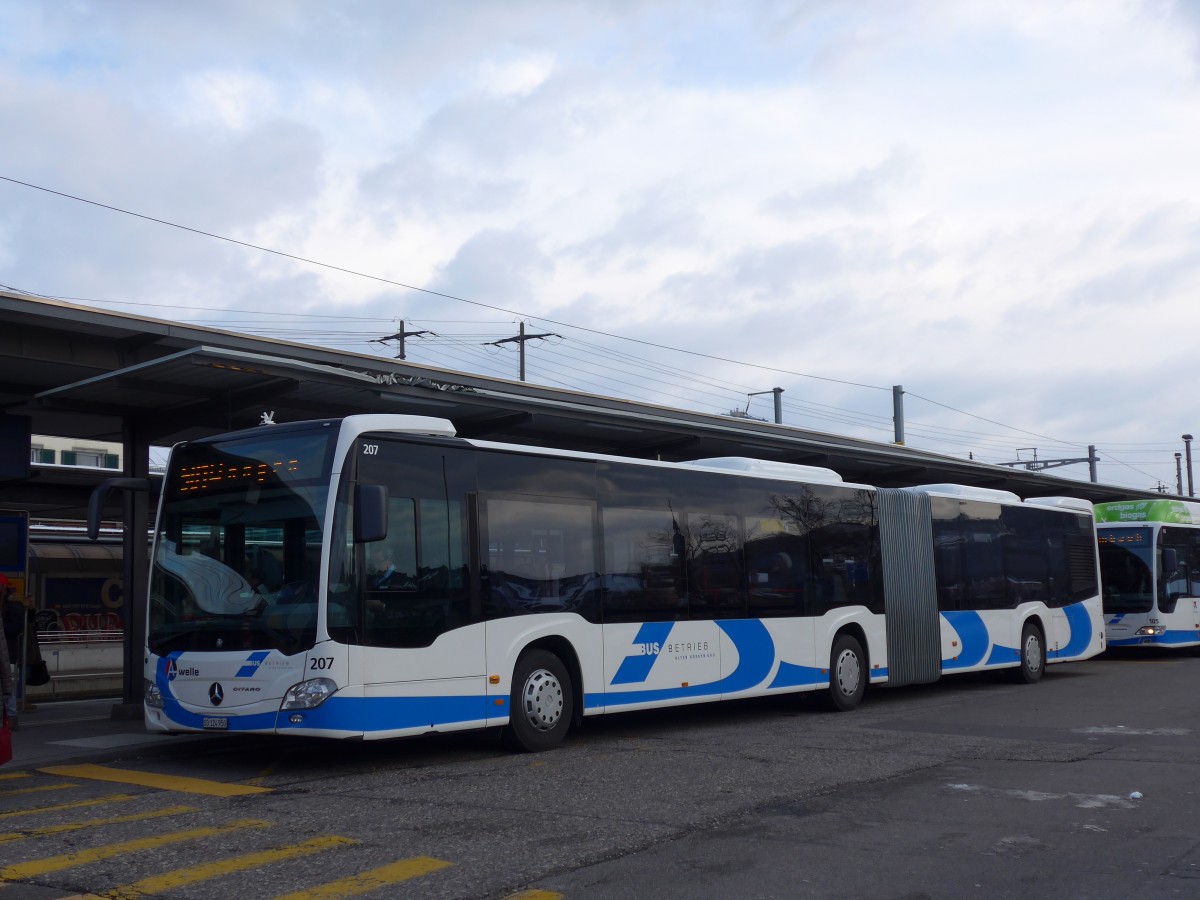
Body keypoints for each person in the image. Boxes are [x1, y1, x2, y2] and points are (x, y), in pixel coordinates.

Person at [1, 576, 21, 722]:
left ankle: (12, 714)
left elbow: (16, 628)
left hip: (8, 651)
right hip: (5, 650)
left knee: (7, 682)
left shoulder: (13, 606)